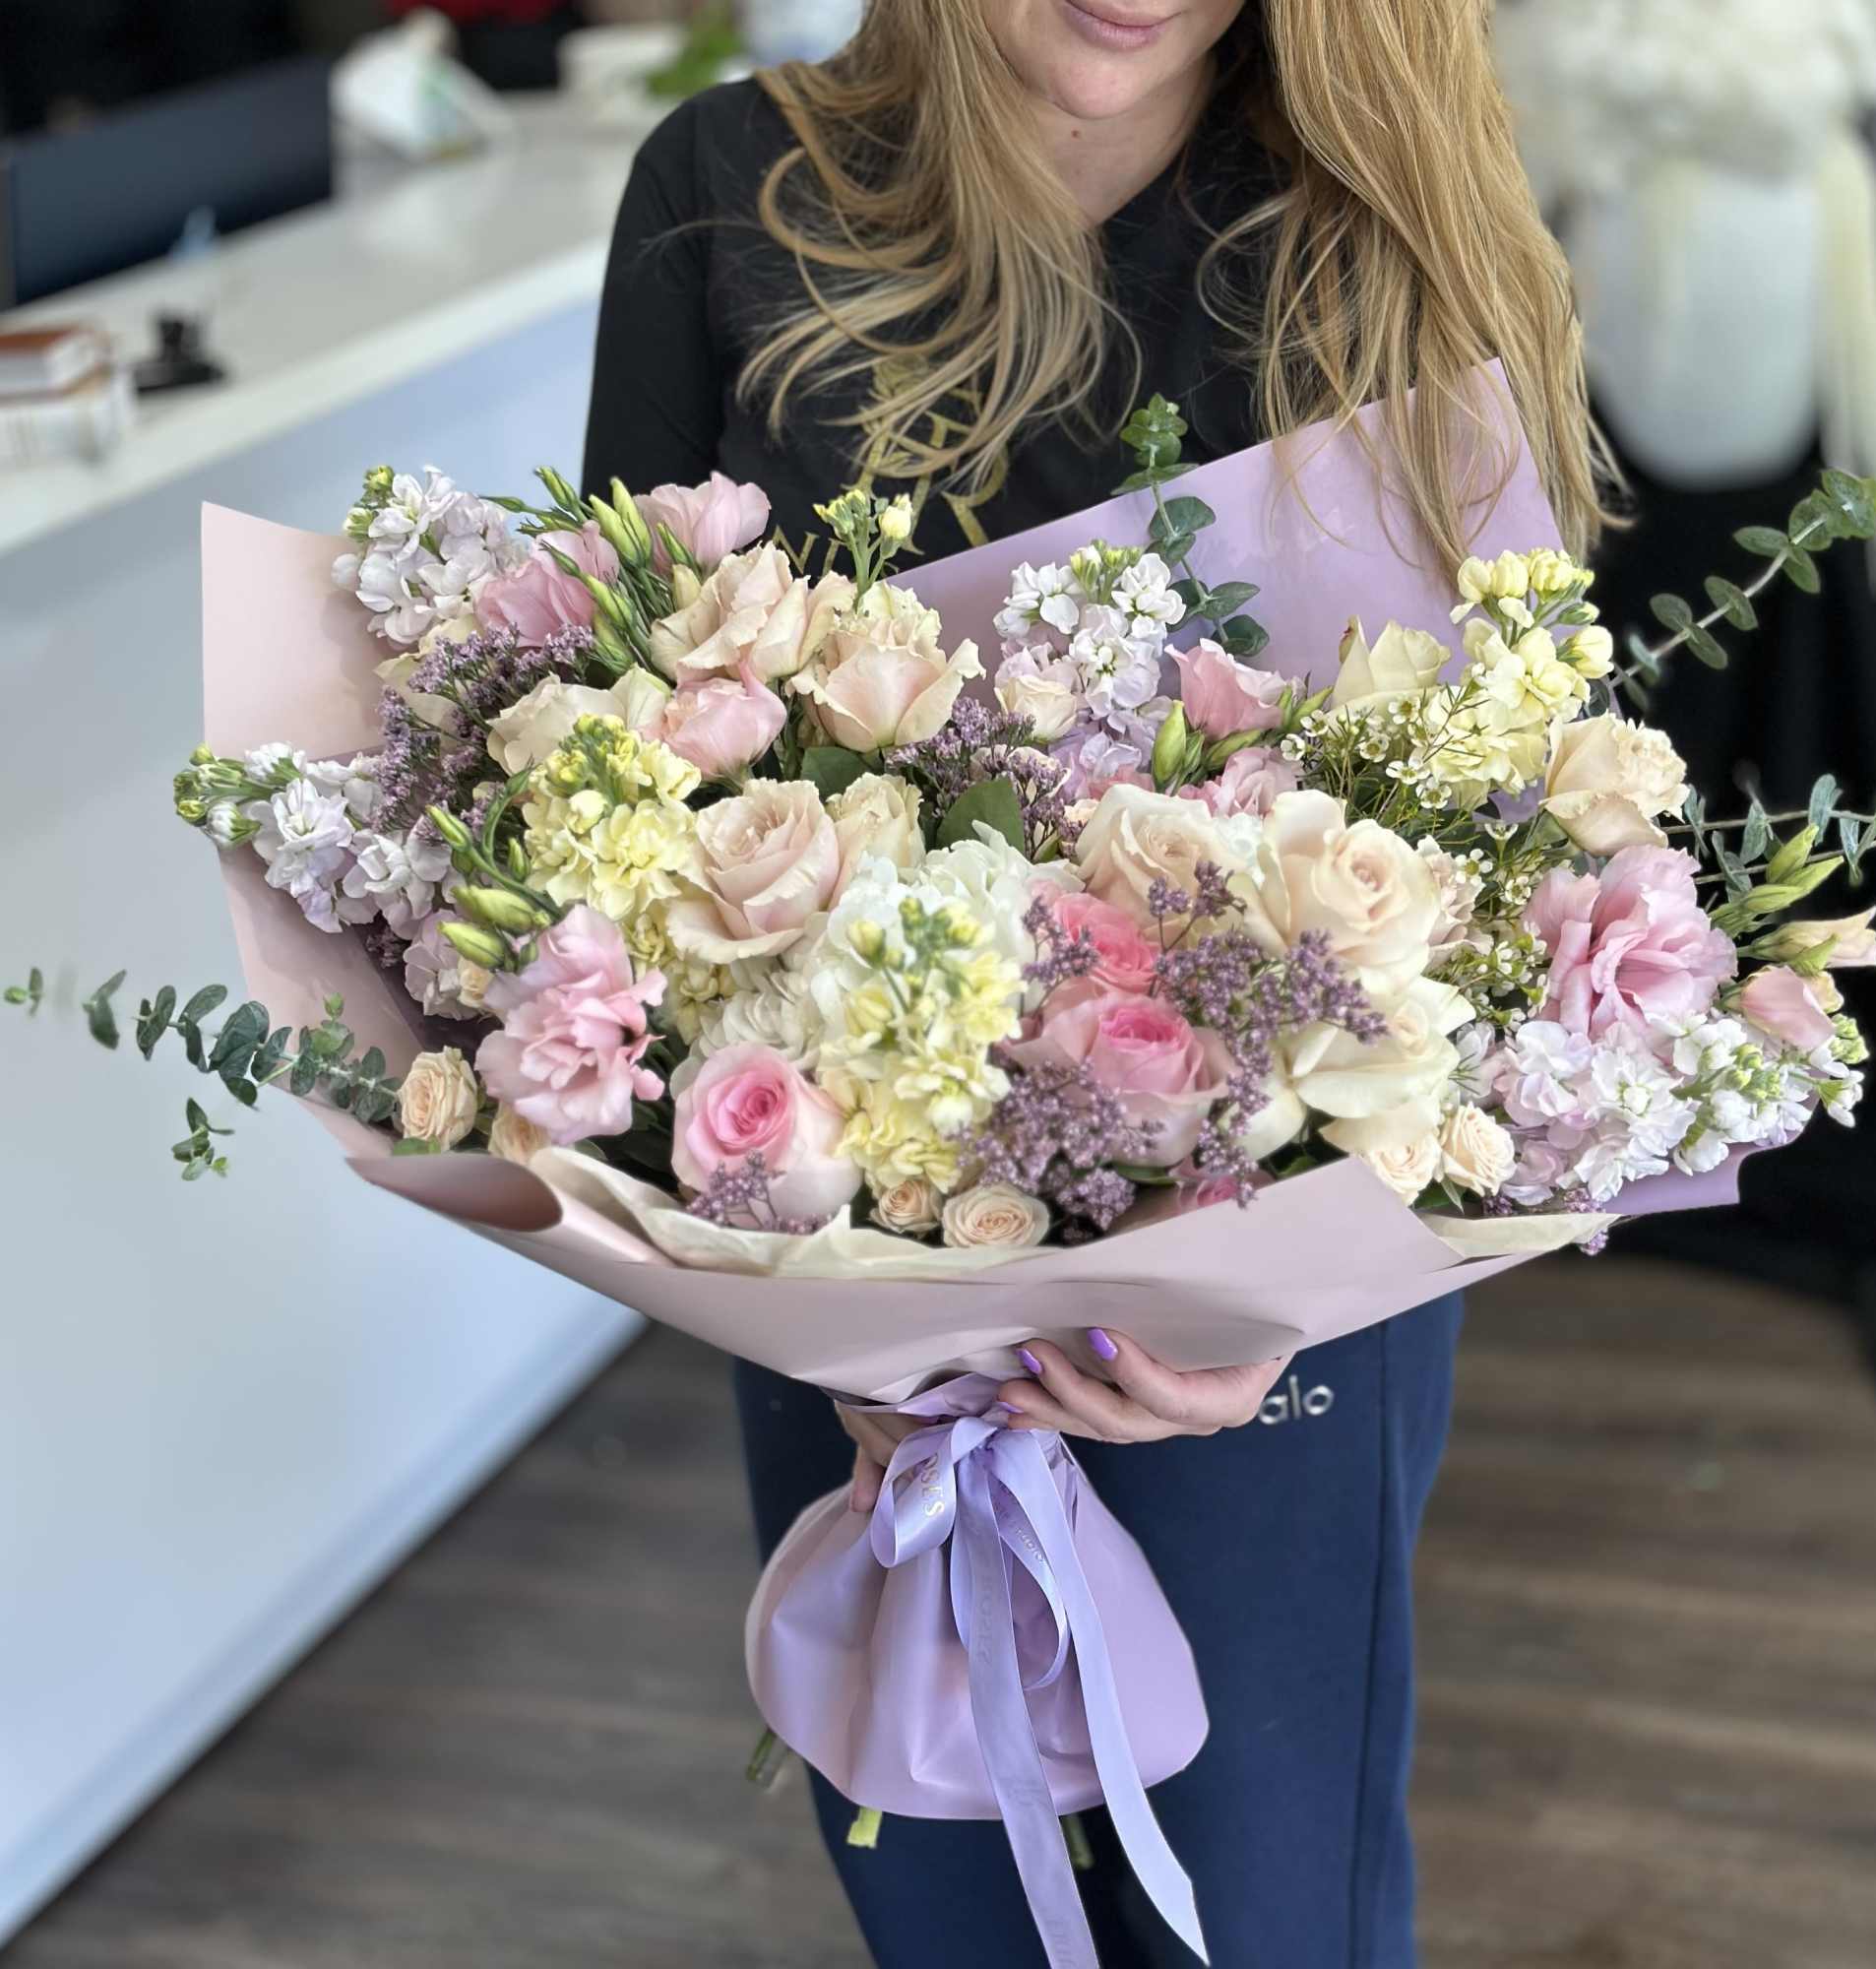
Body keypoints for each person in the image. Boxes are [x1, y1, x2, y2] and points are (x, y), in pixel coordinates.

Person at [583, 3, 1607, 1961]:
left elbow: (1521, 844)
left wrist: (1281, 1306)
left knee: (1257, 1902)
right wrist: (837, 1319)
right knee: (927, 1876)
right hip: (850, 1277)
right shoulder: (726, 192)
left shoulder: (1370, 216)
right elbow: (603, 776)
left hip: (1257, 1306)